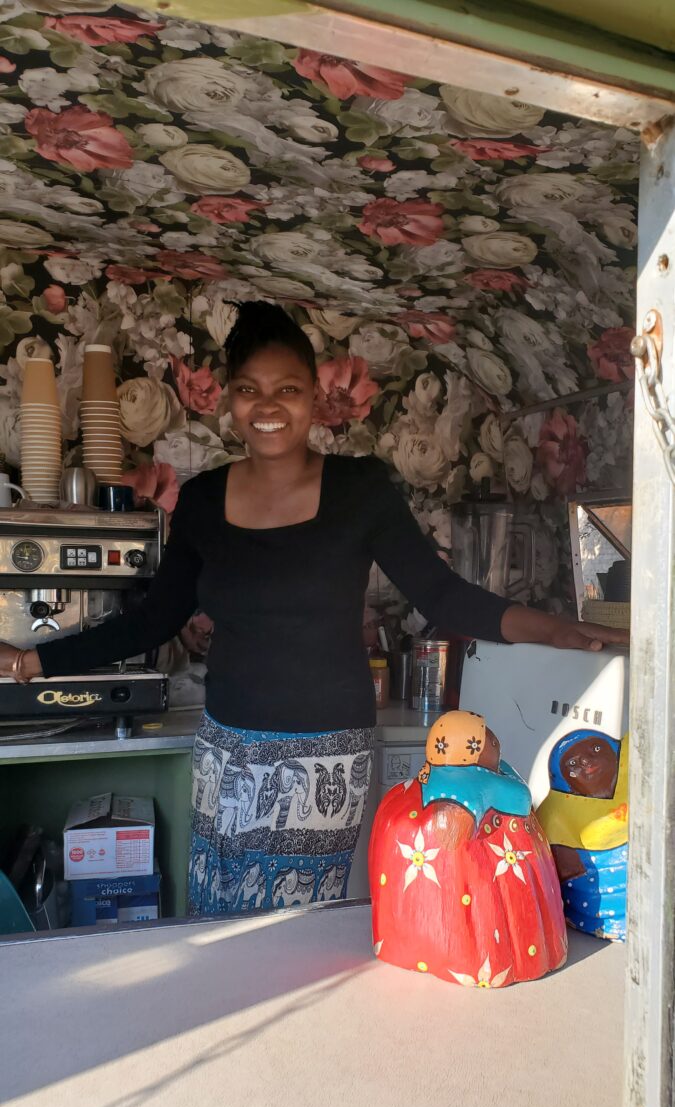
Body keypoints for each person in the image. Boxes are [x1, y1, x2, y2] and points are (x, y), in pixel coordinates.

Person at [0, 301, 629, 916]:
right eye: (250, 389)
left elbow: (442, 595)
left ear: (313, 399)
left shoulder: (360, 490)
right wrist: (31, 664)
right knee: (217, 920)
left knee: (298, 932)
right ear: (230, 400)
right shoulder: (201, 501)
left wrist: (555, 630)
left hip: (324, 757)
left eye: (288, 388)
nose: (268, 406)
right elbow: (152, 620)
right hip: (228, 754)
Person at [369, 711, 568, 986]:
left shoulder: (422, 783)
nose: (496, 745)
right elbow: (522, 798)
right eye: (489, 741)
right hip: (477, 865)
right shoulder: (485, 782)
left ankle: (408, 942)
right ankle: (480, 952)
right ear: (471, 750)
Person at [537, 730, 629, 941]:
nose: (587, 760)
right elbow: (566, 873)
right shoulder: (556, 817)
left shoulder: (636, 774)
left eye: (596, 748)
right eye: (572, 764)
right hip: (593, 915)